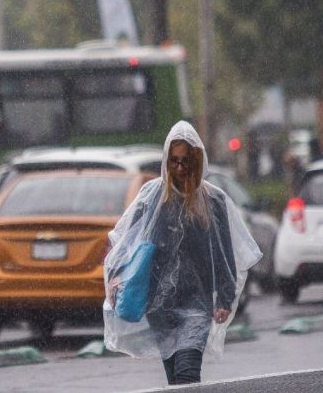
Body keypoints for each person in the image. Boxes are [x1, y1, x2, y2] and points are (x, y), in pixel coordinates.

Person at [103, 121, 261, 385]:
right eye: (174, 161)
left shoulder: (213, 200)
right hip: (160, 305)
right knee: (175, 377)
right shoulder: (152, 196)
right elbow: (129, 241)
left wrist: (224, 297)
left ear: (197, 162)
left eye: (186, 161)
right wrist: (116, 275)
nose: (179, 168)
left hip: (197, 303)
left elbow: (223, 253)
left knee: (187, 372)